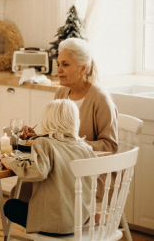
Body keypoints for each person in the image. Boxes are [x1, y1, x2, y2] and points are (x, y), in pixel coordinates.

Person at [19, 38, 118, 201]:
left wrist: (73, 144)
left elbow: (110, 146)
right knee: (25, 184)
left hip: (90, 174)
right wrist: (37, 137)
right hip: (64, 168)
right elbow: (56, 137)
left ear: (83, 68)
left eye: (65, 65)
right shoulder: (60, 93)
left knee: (38, 185)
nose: (59, 70)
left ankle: (45, 224)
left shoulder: (100, 99)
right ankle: (41, 223)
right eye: (58, 64)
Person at [1, 99, 96, 234]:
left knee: (10, 207)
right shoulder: (85, 147)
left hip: (55, 224)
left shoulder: (43, 143)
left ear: (47, 121)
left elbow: (37, 172)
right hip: (79, 220)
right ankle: (90, 217)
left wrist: (9, 162)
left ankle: (43, 225)